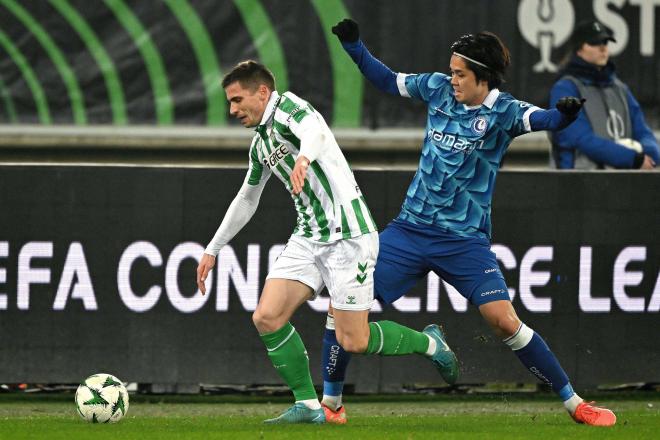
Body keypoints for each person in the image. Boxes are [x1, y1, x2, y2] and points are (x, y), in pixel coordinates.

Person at [319, 19, 617, 427]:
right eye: (452, 71)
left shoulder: (505, 111)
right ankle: (331, 406)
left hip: (464, 242)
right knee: (344, 305)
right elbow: (386, 79)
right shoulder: (437, 88)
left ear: (483, 78)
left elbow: (545, 120)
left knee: (505, 322)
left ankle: (575, 404)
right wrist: (355, 45)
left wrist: (563, 117)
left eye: (460, 73)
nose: (452, 78)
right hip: (410, 231)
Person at [196, 60, 459, 424]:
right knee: (267, 317)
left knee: (354, 340)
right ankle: (308, 404)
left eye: (237, 100)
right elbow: (247, 198)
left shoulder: (291, 108)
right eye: (229, 102)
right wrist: (212, 249)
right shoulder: (260, 144)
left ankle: (431, 344)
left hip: (349, 236)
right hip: (309, 236)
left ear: (262, 92)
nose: (233, 110)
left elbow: (315, 133)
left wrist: (304, 156)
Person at [549, 19, 659, 169]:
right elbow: (581, 139)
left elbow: (644, 132)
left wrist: (650, 153)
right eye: (594, 43)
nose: (603, 48)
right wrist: (633, 159)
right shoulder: (565, 89)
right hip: (576, 184)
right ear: (579, 50)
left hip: (621, 183)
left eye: (605, 43)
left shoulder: (620, 89)